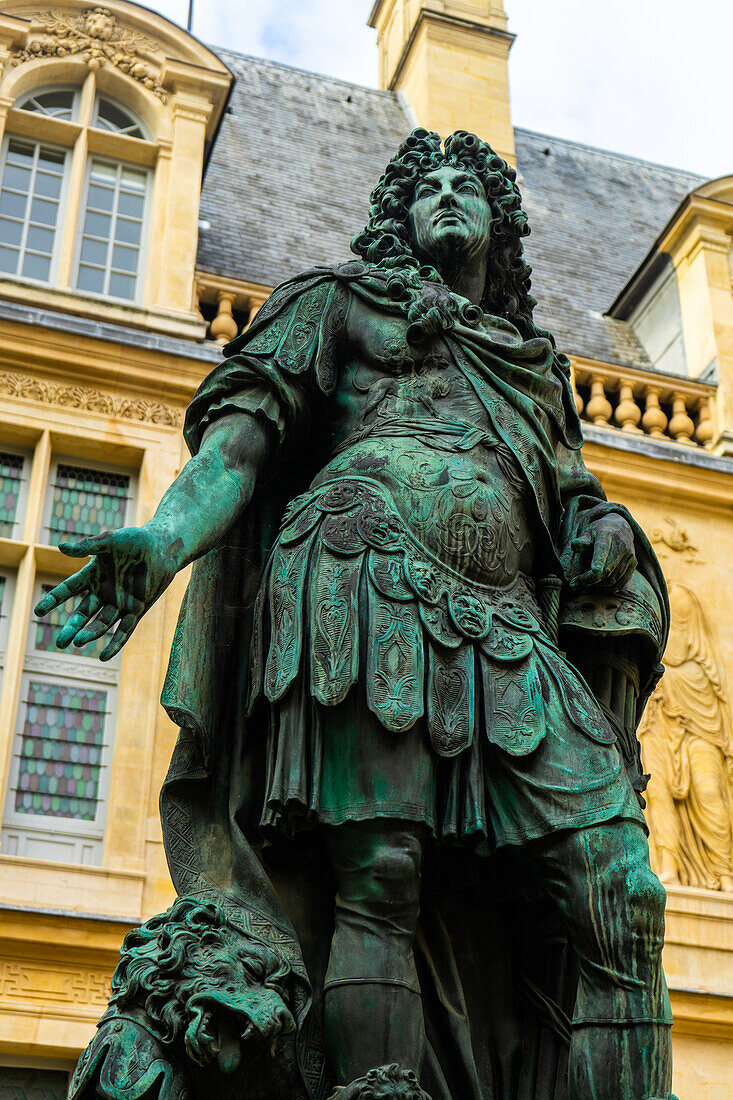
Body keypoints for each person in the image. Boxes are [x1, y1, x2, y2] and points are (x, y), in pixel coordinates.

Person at [38, 130, 676, 1100]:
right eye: (429, 183)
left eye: (472, 183)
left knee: (618, 885)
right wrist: (166, 538)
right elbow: (239, 450)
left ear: (500, 230)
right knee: (378, 877)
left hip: (504, 630)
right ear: (398, 213)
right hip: (359, 575)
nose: (452, 192)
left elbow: (569, 493)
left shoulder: (533, 369)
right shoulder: (336, 302)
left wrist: (610, 530)